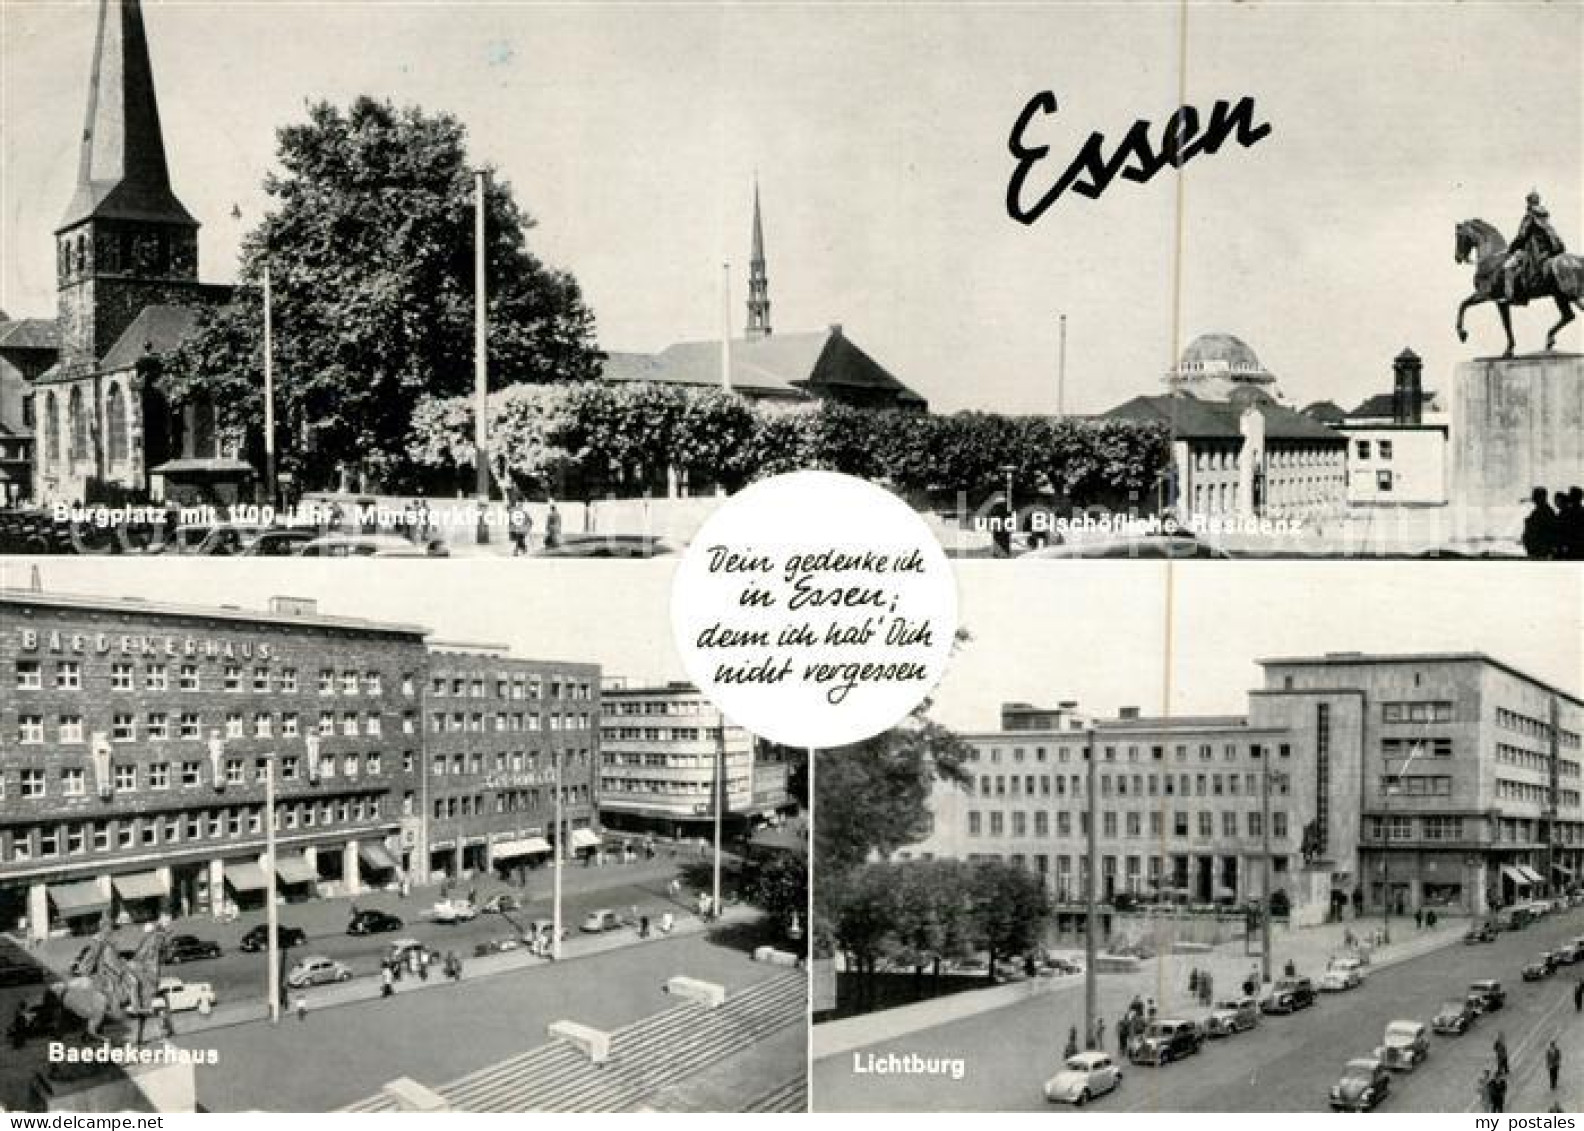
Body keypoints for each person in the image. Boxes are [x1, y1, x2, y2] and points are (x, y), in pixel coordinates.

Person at [1505, 190, 1567, 302]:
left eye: (1527, 202)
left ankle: (1511, 297)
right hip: (1551, 251)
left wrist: (1511, 248)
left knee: (1508, 267)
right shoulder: (1544, 216)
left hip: (1536, 251)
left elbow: (1522, 236)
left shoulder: (1530, 216)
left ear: (1528, 202)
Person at [1524, 487, 1560, 559]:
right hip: (1538, 548)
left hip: (1541, 549)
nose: (1535, 500)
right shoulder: (1542, 511)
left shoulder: (1545, 511)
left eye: (1536, 497)